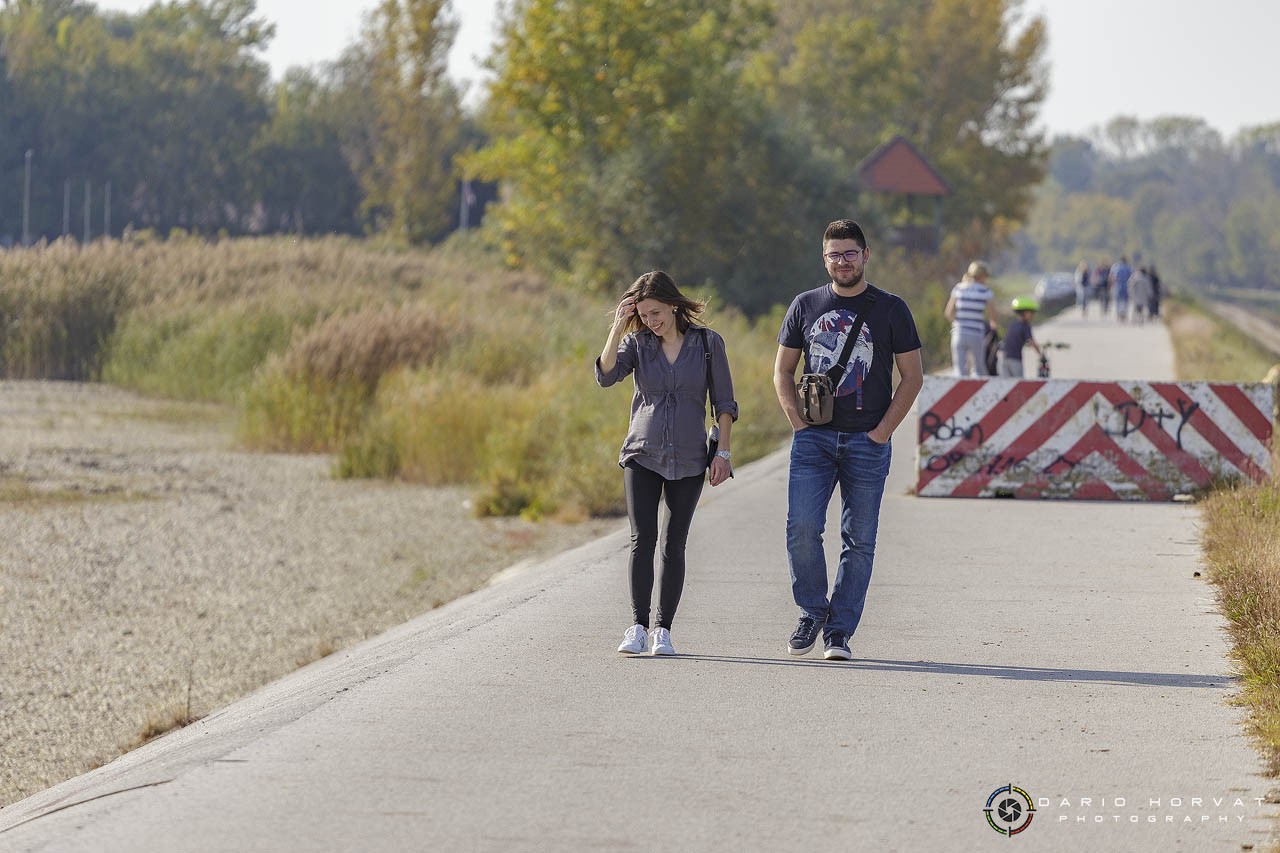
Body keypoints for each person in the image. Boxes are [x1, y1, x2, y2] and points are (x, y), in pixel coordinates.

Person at [774, 219, 924, 661]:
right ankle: (811, 611)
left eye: (850, 253)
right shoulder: (805, 305)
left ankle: (839, 632)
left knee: (859, 540)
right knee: (802, 529)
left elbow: (912, 377)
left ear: (866, 255)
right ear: (824, 259)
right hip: (814, 440)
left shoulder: (892, 309)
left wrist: (882, 432)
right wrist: (798, 424)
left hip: (868, 443)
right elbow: (782, 371)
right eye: (834, 255)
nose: (843, 262)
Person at [596, 270, 737, 657]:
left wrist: (723, 453)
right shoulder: (637, 343)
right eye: (643, 315)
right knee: (642, 540)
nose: (651, 321)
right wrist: (617, 327)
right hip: (642, 453)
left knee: (674, 544)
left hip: (690, 457)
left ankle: (662, 630)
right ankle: (637, 626)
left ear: (673, 305)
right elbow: (606, 375)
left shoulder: (708, 344)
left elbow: (724, 403)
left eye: (656, 313)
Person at [944, 260, 997, 376]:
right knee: (977, 369)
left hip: (959, 333)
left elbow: (949, 312)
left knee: (959, 369)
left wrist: (958, 323)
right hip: (976, 333)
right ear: (982, 276)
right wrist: (993, 324)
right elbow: (993, 314)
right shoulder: (985, 291)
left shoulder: (959, 288)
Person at [998, 297, 1043, 377]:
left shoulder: (1013, 324)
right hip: (1015, 359)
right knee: (1019, 382)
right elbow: (1031, 342)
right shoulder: (1025, 326)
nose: (1032, 315)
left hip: (1003, 358)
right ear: (1024, 312)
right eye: (1031, 312)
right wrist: (1041, 355)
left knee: (1006, 383)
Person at [1110, 256, 1132, 322]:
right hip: (1126, 285)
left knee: (1118, 301)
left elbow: (1112, 277)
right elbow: (1131, 277)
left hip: (1117, 285)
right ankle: (1124, 314)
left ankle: (1118, 314)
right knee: (1125, 301)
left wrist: (1112, 284)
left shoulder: (1115, 267)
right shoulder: (1128, 267)